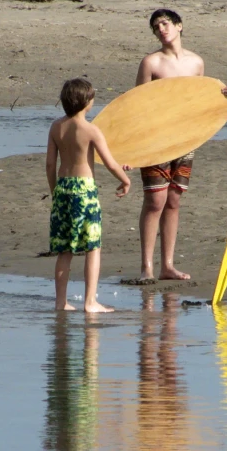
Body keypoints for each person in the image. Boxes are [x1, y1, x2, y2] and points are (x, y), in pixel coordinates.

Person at [133, 8, 227, 283]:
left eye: (165, 24)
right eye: (156, 27)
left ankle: (167, 265)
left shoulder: (196, 63)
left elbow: (200, 101)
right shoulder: (150, 63)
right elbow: (136, 105)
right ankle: (147, 267)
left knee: (174, 199)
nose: (161, 29)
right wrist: (136, 146)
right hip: (156, 139)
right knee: (155, 200)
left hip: (187, 138)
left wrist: (223, 97)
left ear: (179, 25)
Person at [46, 78, 131, 313]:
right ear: (88, 103)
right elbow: (110, 163)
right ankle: (90, 301)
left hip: (63, 188)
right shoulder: (91, 130)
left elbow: (50, 164)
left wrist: (55, 191)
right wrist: (125, 180)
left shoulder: (56, 127)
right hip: (84, 191)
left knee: (65, 250)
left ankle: (61, 302)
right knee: (92, 247)